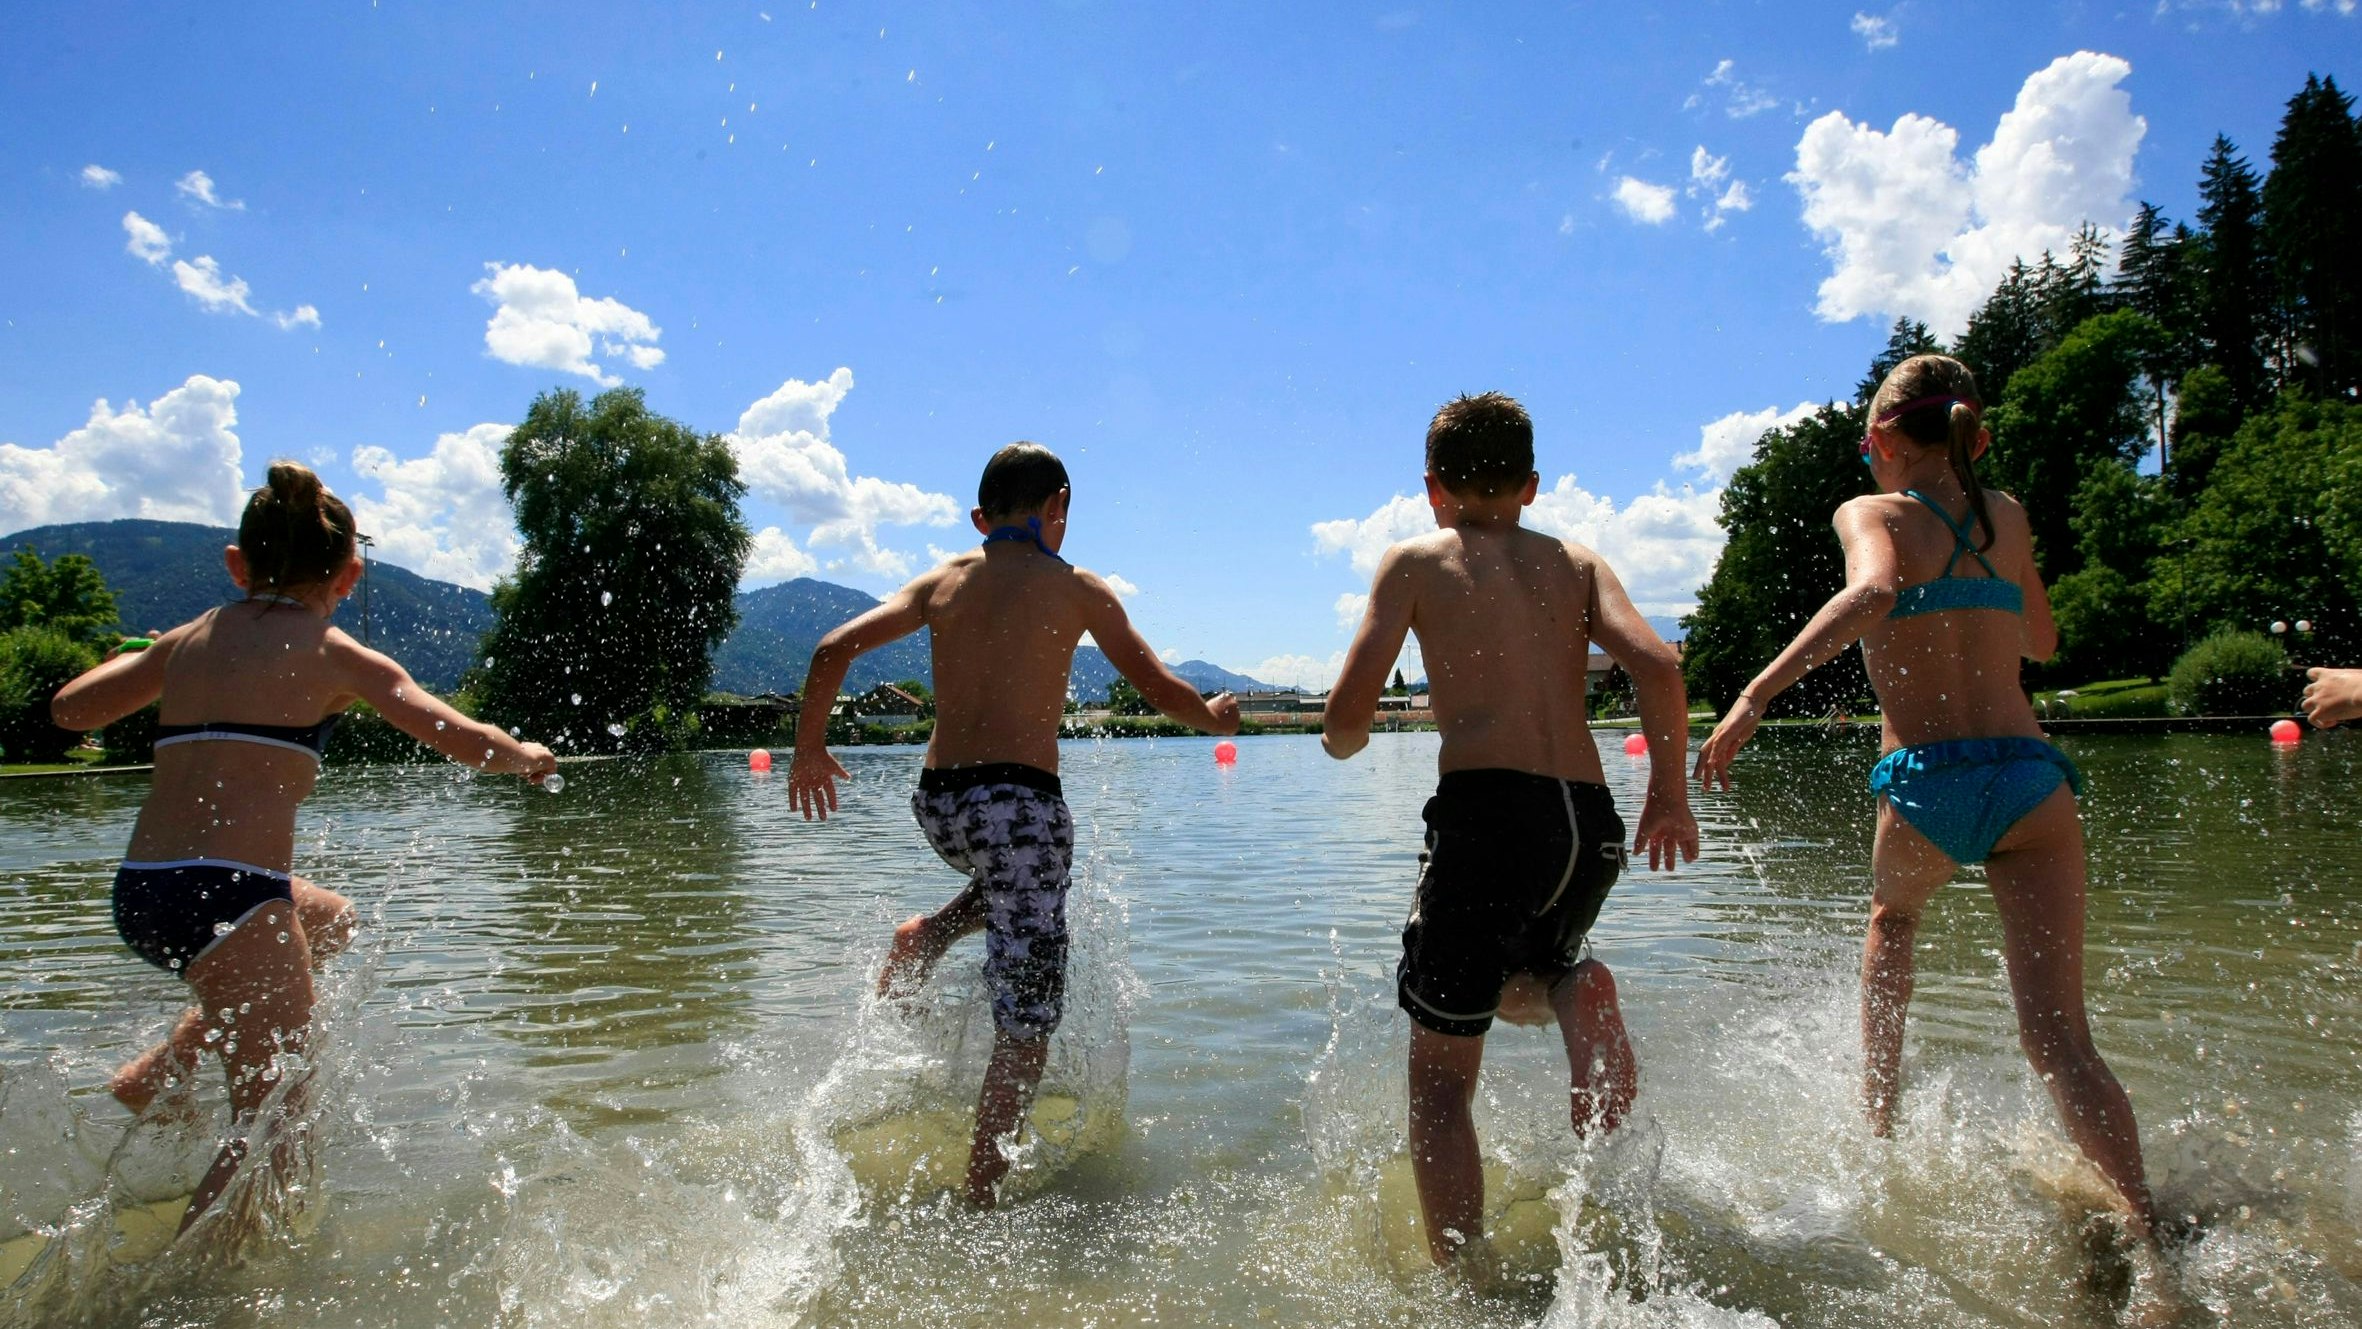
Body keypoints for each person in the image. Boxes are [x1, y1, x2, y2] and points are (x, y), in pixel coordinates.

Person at [1692, 355, 2157, 1238]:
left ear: (1881, 445)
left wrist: (1753, 698)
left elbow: (1871, 592)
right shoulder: (2008, 515)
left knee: (1893, 920)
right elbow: (2047, 640)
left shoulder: (1871, 511)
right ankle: (2146, 1227)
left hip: (1926, 782)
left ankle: (1876, 1119)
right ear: (1971, 436)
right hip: (2028, 777)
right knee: (2060, 1039)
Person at [50, 462, 557, 1235]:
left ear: (236, 563)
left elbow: (70, 710)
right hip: (230, 896)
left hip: (144, 891)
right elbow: (465, 739)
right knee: (275, 1122)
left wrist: (150, 659)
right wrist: (526, 755)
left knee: (330, 920)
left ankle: (160, 1073)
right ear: (349, 574)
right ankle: (201, 1301)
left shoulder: (186, 642)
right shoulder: (338, 655)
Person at [786, 441, 1240, 1208]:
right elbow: (1158, 685)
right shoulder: (1078, 589)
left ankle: (925, 937)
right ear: (1058, 507)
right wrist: (1212, 715)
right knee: (1029, 1022)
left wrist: (808, 751)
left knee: (1015, 873)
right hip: (1019, 807)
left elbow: (832, 649)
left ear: (978, 518)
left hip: (938, 804)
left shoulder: (941, 581)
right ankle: (979, 1197)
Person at [1321, 392, 1698, 1269]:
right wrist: (1669, 796)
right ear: (1531, 484)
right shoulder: (1577, 561)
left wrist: (1346, 737)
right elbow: (1659, 663)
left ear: (1431, 487)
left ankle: (1467, 1287)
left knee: (1441, 1090)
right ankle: (1572, 991)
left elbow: (1344, 719)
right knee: (1525, 969)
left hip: (1488, 817)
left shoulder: (1415, 561)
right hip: (1587, 826)